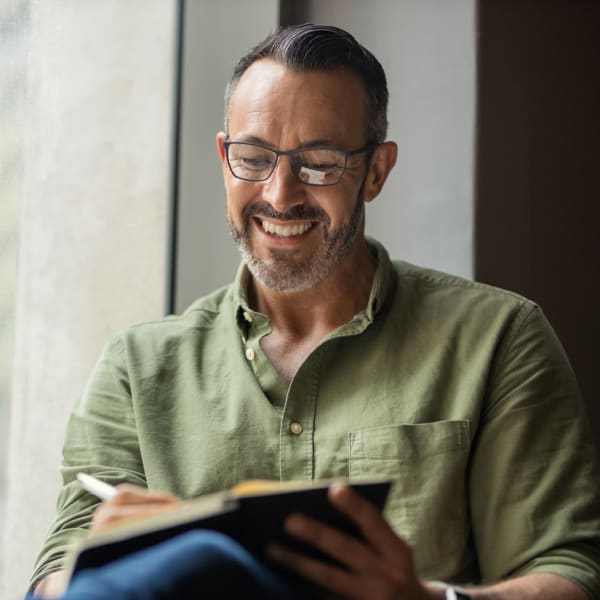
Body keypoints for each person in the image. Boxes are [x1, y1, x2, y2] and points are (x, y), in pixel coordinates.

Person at [31, 23, 600, 600]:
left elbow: (569, 573)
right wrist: (112, 563)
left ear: (376, 171)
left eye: (321, 162)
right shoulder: (136, 366)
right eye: (253, 158)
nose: (280, 195)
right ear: (224, 158)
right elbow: (54, 574)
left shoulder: (499, 338)